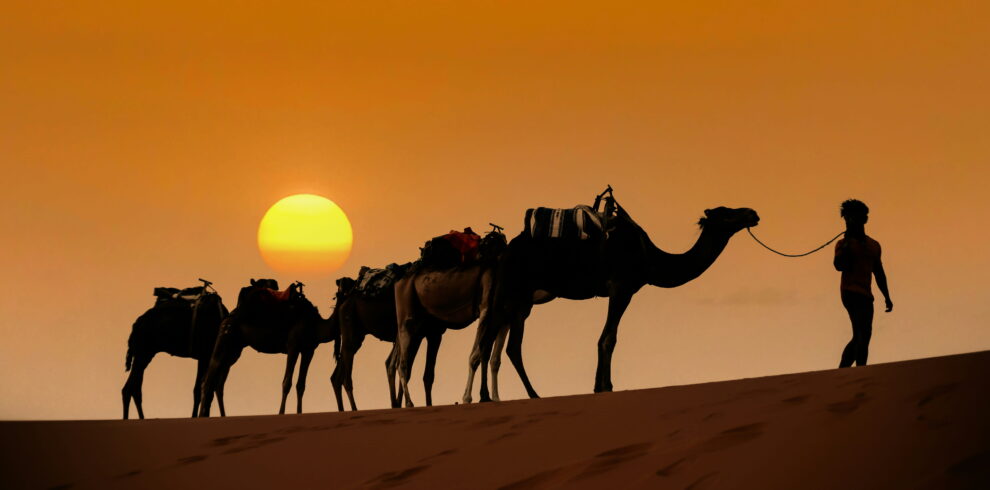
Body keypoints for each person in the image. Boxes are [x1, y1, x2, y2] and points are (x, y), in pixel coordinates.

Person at [833, 199, 893, 368]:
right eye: (847, 219)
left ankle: (845, 370)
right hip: (850, 291)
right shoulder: (842, 244)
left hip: (866, 294)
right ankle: (860, 371)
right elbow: (839, 265)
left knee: (862, 335)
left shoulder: (874, 245)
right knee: (862, 332)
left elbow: (879, 272)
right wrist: (846, 243)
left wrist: (887, 296)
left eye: (853, 218)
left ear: (864, 219)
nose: (849, 222)